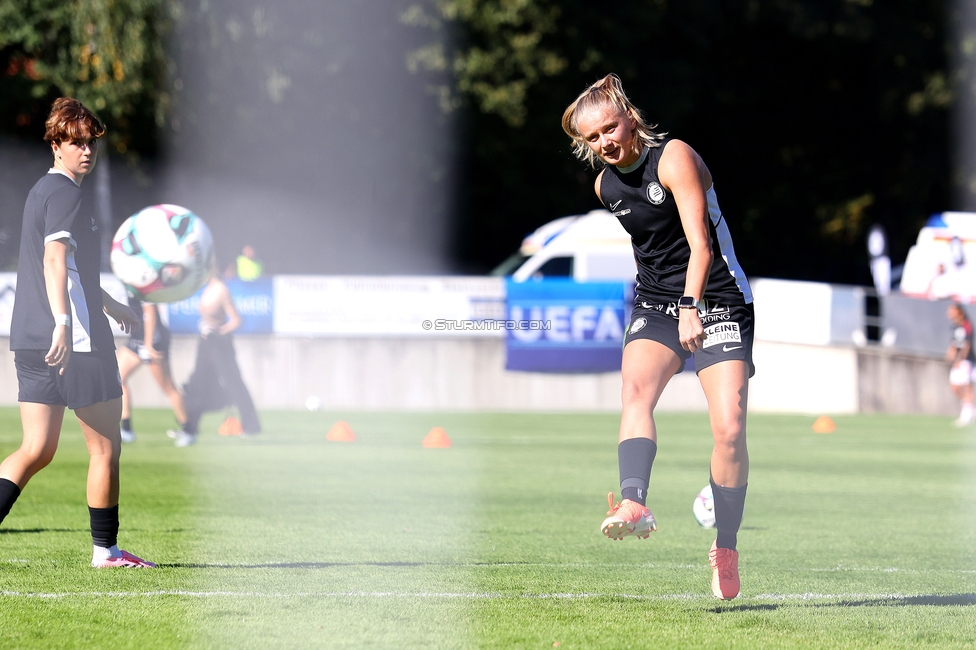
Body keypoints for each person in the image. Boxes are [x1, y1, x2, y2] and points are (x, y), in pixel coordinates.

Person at [561, 74, 753, 600]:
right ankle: (633, 501)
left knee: (730, 427)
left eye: (610, 128)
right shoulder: (605, 185)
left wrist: (692, 305)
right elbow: (651, 247)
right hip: (655, 302)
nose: (605, 142)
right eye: (592, 138)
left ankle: (727, 545)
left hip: (716, 295)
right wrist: (670, 304)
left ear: (629, 117)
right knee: (635, 391)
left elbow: (700, 245)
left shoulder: (673, 159)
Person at [0, 98, 155, 568]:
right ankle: (105, 552)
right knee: (106, 447)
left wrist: (111, 305)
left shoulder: (42, 192)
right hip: (75, 344)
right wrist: (66, 326)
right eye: (75, 142)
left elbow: (71, 270)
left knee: (35, 449)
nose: (86, 150)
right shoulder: (66, 193)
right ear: (56, 144)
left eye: (90, 142)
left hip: (29, 338)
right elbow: (53, 262)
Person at [170, 266, 261, 447]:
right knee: (197, 384)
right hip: (205, 343)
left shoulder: (221, 290)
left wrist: (219, 332)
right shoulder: (208, 288)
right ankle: (190, 426)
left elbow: (236, 320)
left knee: (233, 382)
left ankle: (251, 425)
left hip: (220, 343)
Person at [116, 295, 188, 442]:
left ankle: (188, 430)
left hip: (153, 340)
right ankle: (127, 430)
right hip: (137, 337)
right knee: (117, 378)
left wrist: (148, 345)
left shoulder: (143, 283)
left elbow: (150, 312)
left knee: (168, 387)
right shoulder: (128, 281)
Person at [945, 302, 975, 426]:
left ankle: (967, 413)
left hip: (966, 361)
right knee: (955, 387)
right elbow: (955, 343)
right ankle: (969, 407)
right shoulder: (954, 327)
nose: (949, 313)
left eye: (952, 310)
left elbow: (966, 345)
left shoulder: (966, 325)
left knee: (965, 386)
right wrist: (950, 353)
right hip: (958, 362)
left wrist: (960, 359)